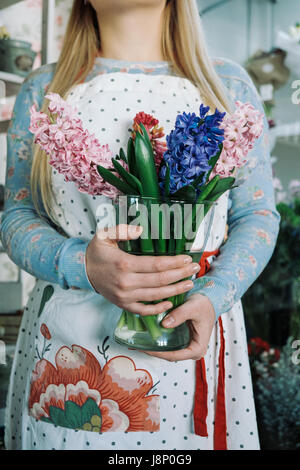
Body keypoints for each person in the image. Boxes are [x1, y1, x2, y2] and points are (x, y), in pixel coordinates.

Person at [0, 0, 280, 450]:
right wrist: (82, 264)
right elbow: (17, 215)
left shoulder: (226, 84)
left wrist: (214, 295)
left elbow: (258, 215)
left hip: (191, 330)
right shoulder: (45, 88)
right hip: (70, 347)